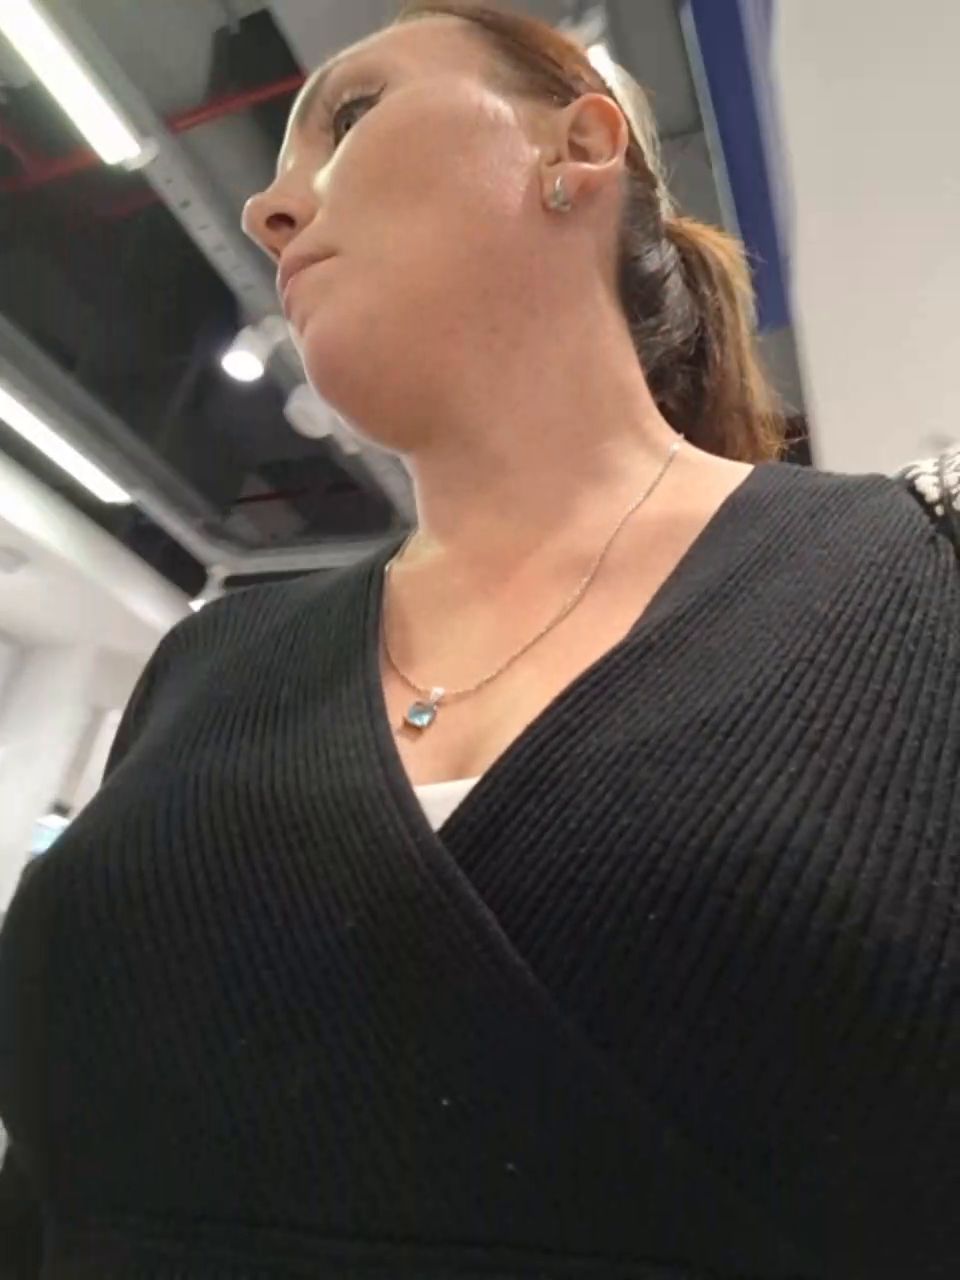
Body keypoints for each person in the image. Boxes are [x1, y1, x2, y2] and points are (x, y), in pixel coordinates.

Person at [1, 2, 957, 1277]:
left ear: (580, 146)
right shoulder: (207, 662)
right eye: (275, 173)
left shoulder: (923, 574)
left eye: (349, 116)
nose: (267, 208)